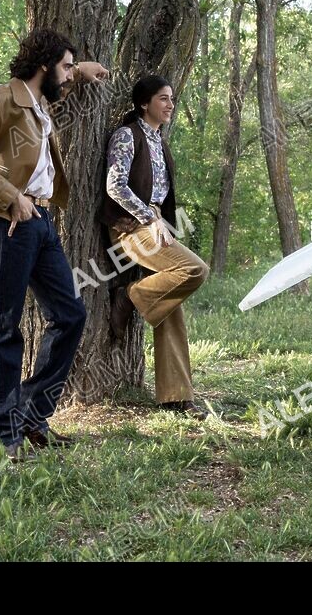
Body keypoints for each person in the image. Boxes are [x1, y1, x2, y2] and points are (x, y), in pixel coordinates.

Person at [0, 28, 109, 461]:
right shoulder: (2, 99)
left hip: (40, 220)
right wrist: (10, 196)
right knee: (4, 324)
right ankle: (4, 431)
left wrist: (85, 70)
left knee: (71, 314)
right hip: (9, 221)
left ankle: (31, 414)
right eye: (66, 66)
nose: (70, 75)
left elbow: (63, 85)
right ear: (45, 66)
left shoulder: (41, 102)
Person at [100, 75, 210, 419]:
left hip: (156, 222)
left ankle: (176, 396)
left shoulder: (159, 139)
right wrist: (149, 217)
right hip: (131, 227)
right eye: (163, 98)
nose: (170, 104)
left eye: (172, 99)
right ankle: (133, 294)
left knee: (171, 305)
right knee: (194, 269)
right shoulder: (127, 135)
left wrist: (160, 218)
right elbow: (115, 186)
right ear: (144, 103)